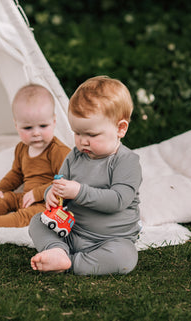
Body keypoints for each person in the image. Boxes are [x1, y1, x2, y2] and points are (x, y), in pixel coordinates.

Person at [29, 76, 142, 275]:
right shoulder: (74, 157)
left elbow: (118, 201)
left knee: (125, 258)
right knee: (37, 221)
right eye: (77, 133)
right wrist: (51, 194)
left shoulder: (126, 161)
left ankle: (69, 262)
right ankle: (57, 250)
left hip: (110, 239)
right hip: (72, 230)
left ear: (120, 128)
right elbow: (59, 185)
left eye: (91, 135)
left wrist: (79, 192)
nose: (83, 142)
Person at [0, 84, 71, 229]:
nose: (36, 133)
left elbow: (67, 182)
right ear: (16, 125)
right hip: (26, 197)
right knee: (5, 199)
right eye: (28, 128)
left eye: (43, 126)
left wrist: (38, 193)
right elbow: (16, 173)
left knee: (27, 216)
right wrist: (0, 189)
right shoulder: (22, 149)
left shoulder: (58, 151)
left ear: (54, 121)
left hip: (48, 202)